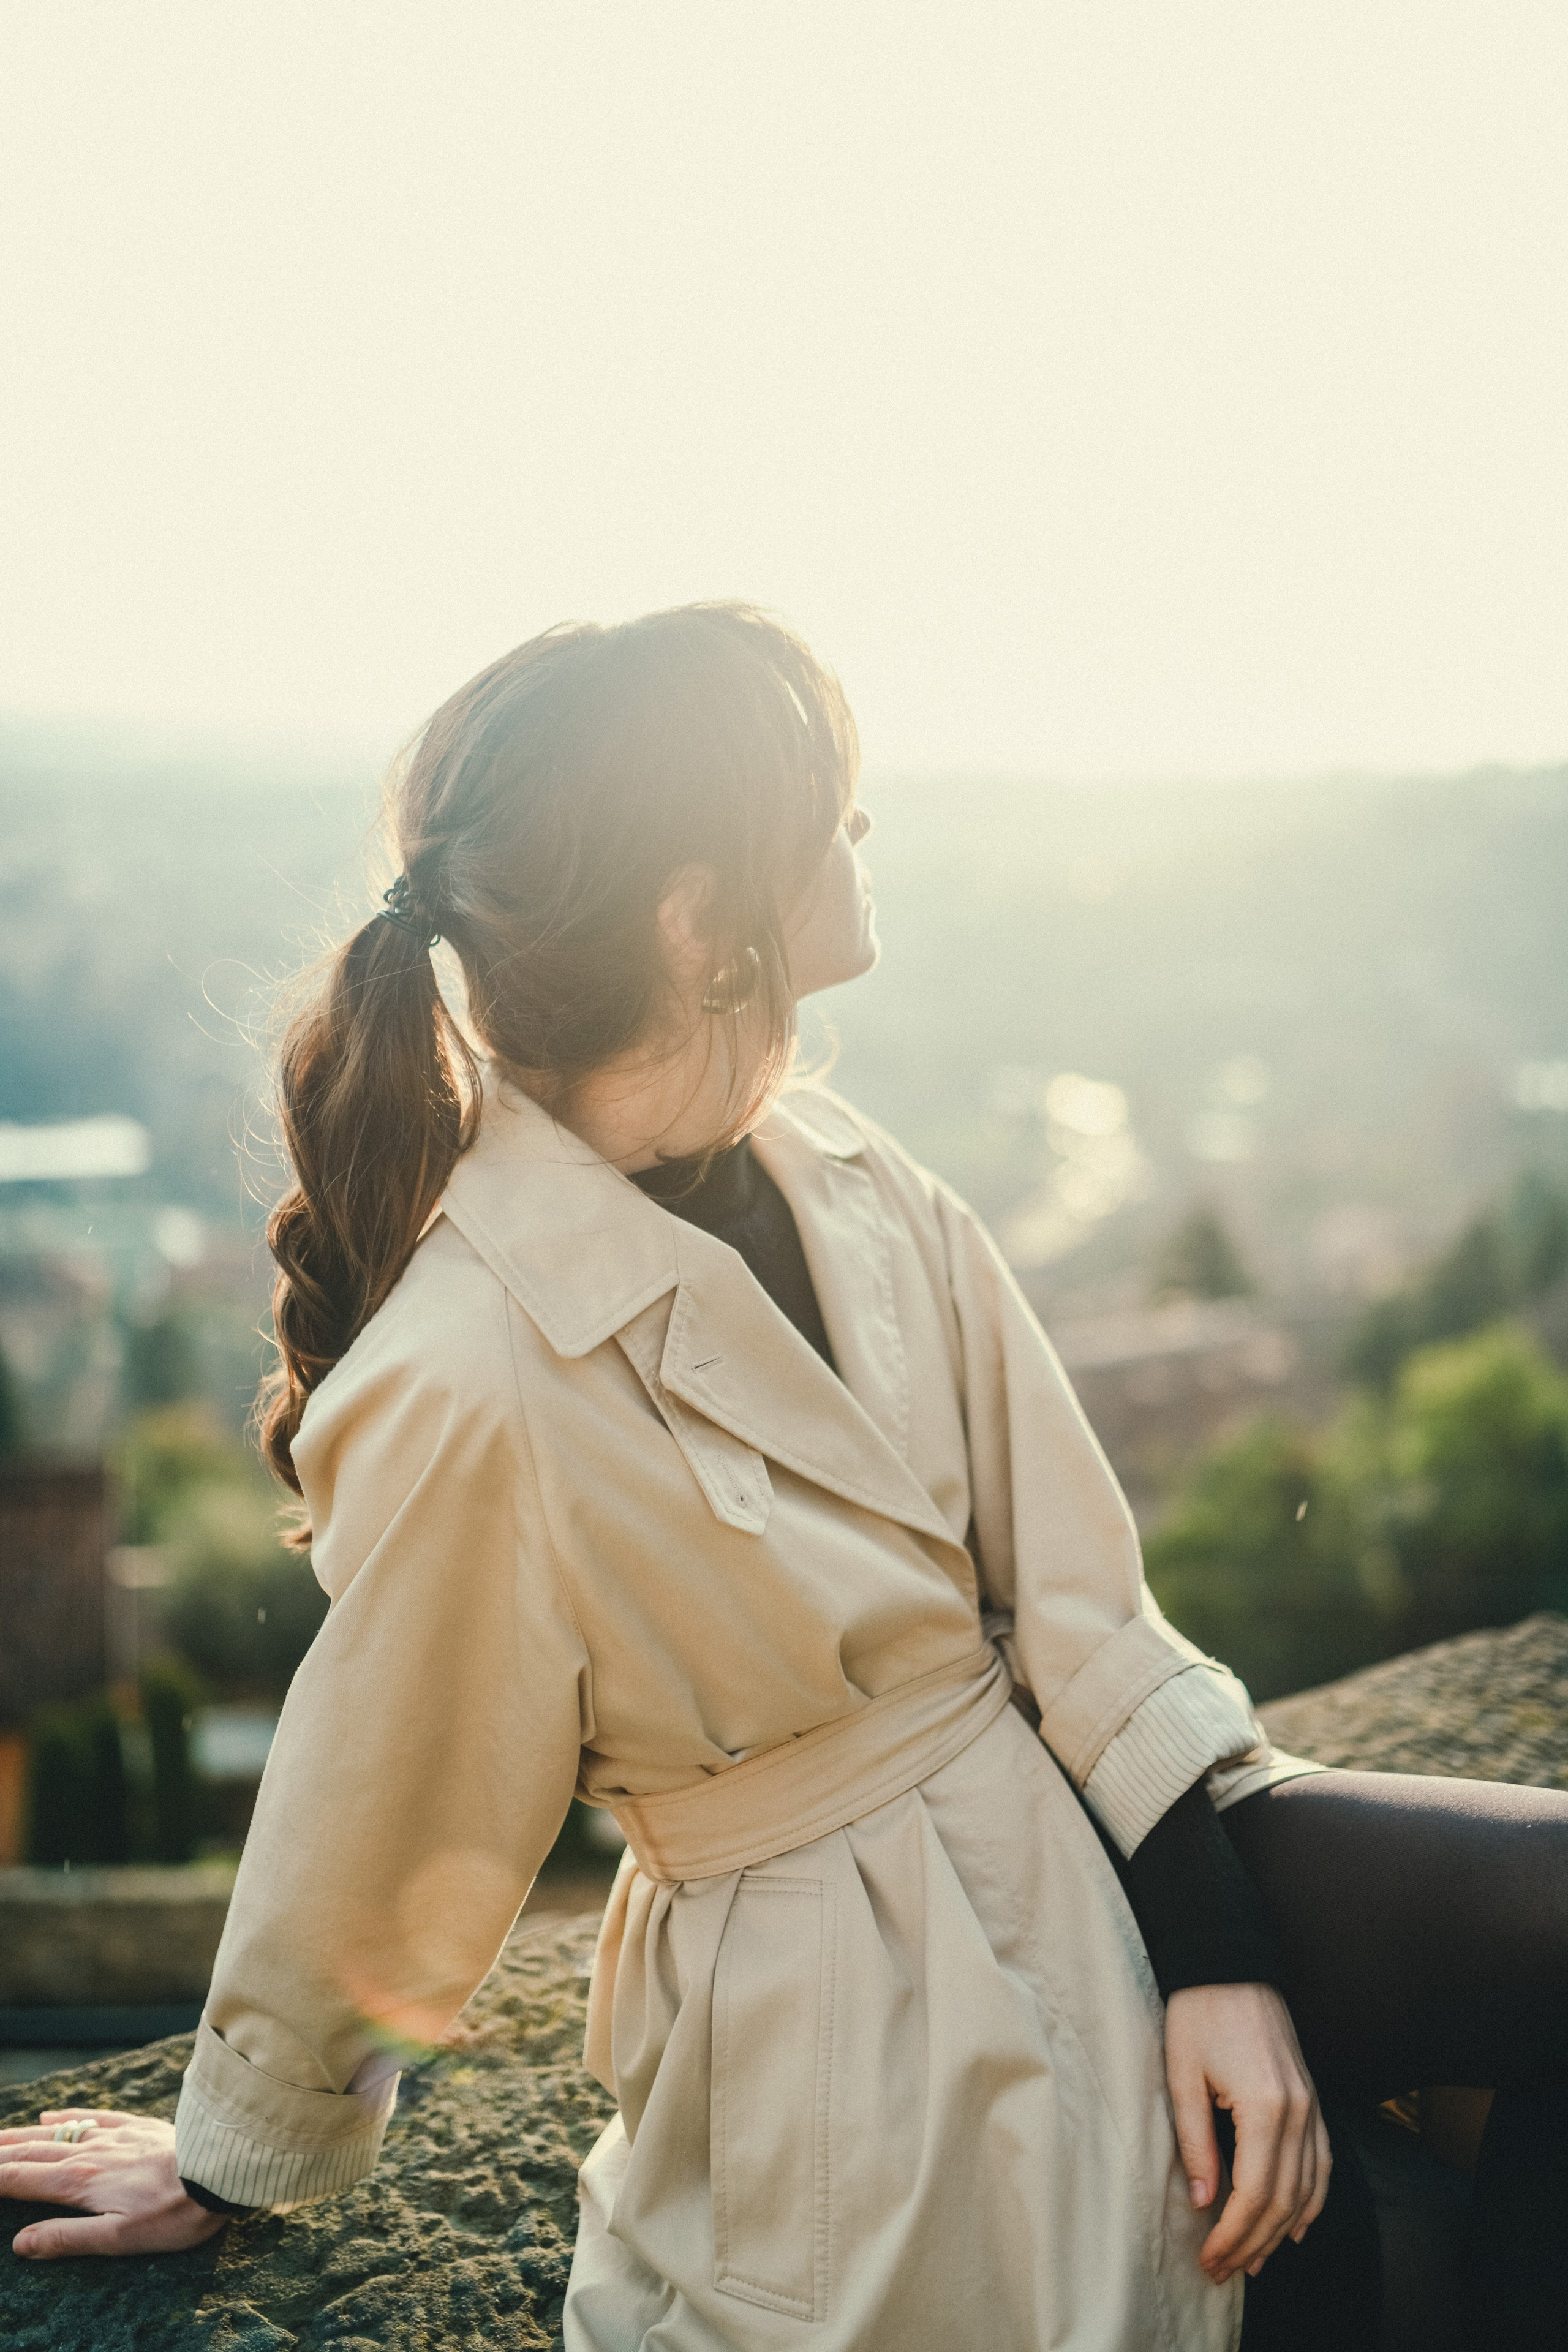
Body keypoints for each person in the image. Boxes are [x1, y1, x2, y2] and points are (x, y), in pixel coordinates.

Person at [2, 605, 1565, 2351]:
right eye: (827, 804)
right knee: (1361, 2263)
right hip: (866, 2017)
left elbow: (1075, 1597)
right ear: (696, 918)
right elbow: (384, 1800)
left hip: (1099, 1821)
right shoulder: (475, 1365)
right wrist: (235, 2154)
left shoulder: (842, 1166)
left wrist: (1217, 1962)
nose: (862, 826)